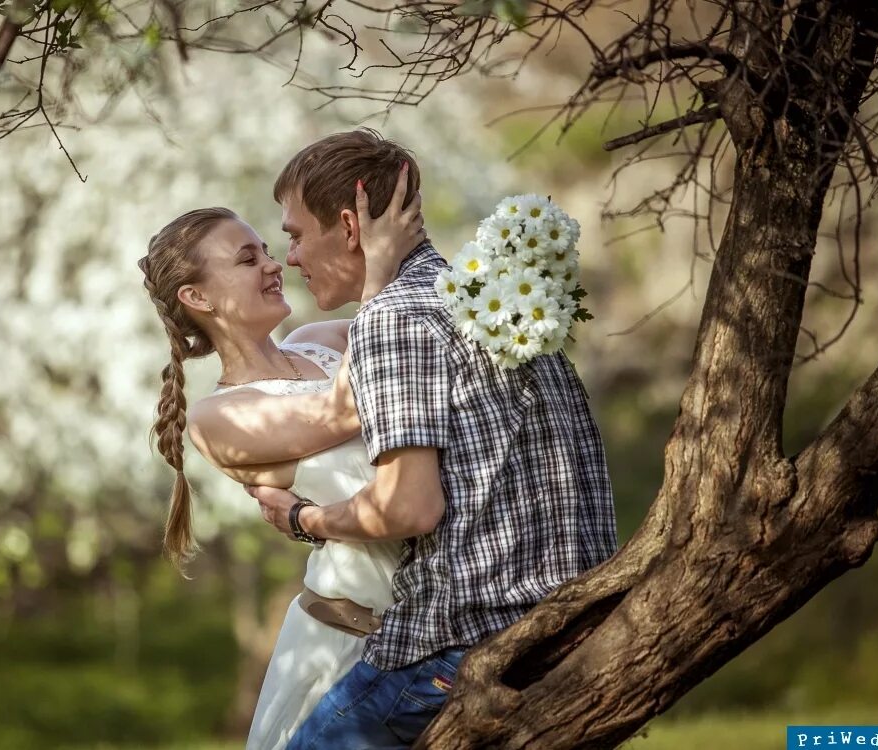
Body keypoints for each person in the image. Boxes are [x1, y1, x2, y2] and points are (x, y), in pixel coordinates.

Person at [246, 128, 618, 749]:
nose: (289, 258)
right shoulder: (487, 301)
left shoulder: (395, 320)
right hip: (568, 624)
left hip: (462, 647)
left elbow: (408, 507)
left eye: (294, 234)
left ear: (348, 224)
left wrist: (304, 518)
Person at [137, 166, 425, 750]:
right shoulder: (219, 418)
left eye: (268, 250)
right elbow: (350, 409)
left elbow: (417, 333)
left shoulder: (323, 342)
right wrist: (378, 270)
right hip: (344, 649)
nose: (275, 265)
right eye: (247, 260)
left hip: (433, 637)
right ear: (197, 297)